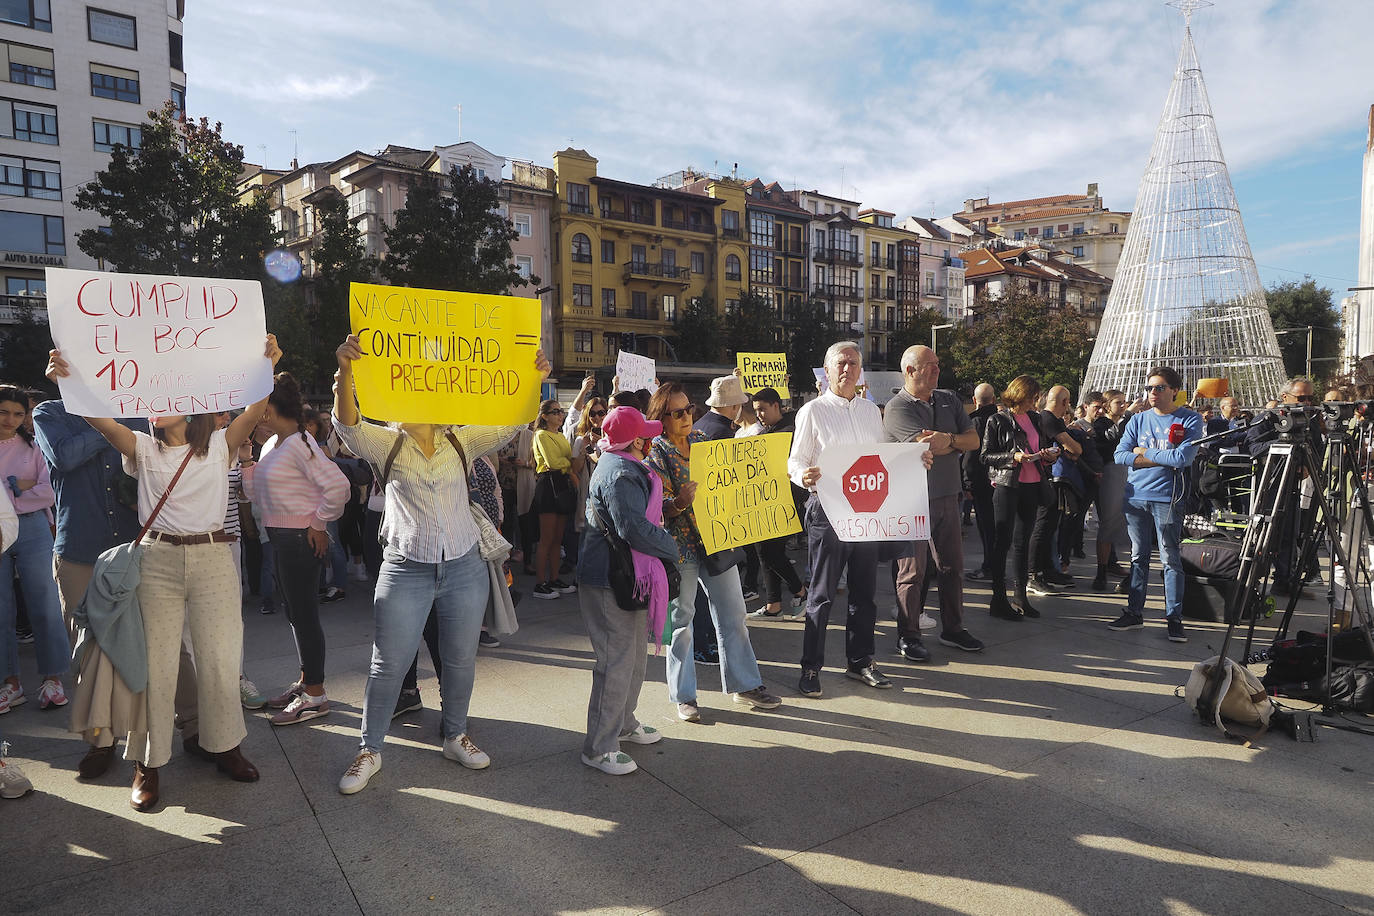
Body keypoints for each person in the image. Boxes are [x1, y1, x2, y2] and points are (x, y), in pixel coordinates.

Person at [47, 339, 279, 811]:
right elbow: (100, 420)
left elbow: (255, 410)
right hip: (158, 561)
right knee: (153, 666)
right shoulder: (144, 450)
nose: (154, 410)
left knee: (219, 659)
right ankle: (147, 764)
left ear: (190, 410)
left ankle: (227, 746)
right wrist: (67, 379)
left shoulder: (219, 443)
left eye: (165, 404)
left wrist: (267, 363)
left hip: (214, 557)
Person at [331, 333, 551, 795]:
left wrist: (533, 379)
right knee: (387, 664)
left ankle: (455, 734)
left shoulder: (460, 441)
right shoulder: (384, 442)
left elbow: (511, 423)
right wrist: (346, 372)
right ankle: (368, 749)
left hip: (464, 567)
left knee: (459, 660)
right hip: (405, 568)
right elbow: (347, 425)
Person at [646, 383, 782, 722]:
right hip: (681, 548)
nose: (686, 417)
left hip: (717, 541)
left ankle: (745, 684)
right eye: (677, 413)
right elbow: (657, 506)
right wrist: (677, 503)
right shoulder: (657, 452)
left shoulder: (703, 443)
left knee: (734, 615)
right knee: (683, 624)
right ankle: (684, 695)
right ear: (661, 418)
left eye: (689, 409)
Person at [576, 407, 681, 774]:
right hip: (611, 577)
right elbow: (633, 529)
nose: (651, 439)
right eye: (646, 434)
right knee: (617, 663)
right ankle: (599, 747)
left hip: (624, 575)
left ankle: (623, 724)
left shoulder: (621, 465)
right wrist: (672, 548)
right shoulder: (620, 473)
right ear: (635, 440)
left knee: (632, 657)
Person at [242, 372, 350, 727]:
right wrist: (246, 460)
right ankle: (307, 683)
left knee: (303, 616)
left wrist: (318, 525)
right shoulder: (277, 444)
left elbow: (339, 487)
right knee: (296, 614)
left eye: (258, 408)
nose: (255, 415)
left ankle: (315, 695)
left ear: (270, 410)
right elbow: (256, 495)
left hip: (299, 540)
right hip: (283, 538)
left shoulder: (302, 444)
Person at [789, 341, 891, 696]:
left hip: (865, 512)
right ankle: (811, 667)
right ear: (828, 370)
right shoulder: (812, 412)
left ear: (861, 371)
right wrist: (802, 476)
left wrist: (913, 462)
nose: (848, 369)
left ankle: (861, 661)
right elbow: (795, 460)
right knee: (821, 594)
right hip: (828, 510)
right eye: (841, 364)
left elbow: (881, 459)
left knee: (865, 592)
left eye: (854, 364)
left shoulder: (869, 412)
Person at [883, 346, 984, 659]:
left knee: (952, 567)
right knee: (913, 571)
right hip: (911, 500)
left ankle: (953, 628)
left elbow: (973, 441)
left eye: (938, 364)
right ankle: (908, 634)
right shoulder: (897, 407)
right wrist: (950, 441)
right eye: (930, 365)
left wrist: (949, 441)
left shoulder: (949, 398)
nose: (937, 369)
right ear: (910, 371)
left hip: (947, 495)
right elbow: (921, 448)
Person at [1108, 366, 1203, 642]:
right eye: (1149, 388)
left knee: (1170, 559)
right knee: (1138, 557)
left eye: (1159, 387)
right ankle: (1134, 611)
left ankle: (1174, 617)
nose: (1152, 393)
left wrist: (1143, 451)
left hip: (1168, 497)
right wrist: (1161, 456)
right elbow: (1120, 455)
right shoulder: (1138, 420)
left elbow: (1182, 460)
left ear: (1174, 390)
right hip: (1136, 495)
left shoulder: (1189, 419)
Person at [0, 385, 70, 714]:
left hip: (32, 527)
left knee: (44, 605)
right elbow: (34, 488)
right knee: (2, 611)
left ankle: (52, 679)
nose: (10, 419)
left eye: (18, 413)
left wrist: (8, 492)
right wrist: (17, 485)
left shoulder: (35, 446)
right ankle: (9, 683)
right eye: (4, 412)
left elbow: (49, 492)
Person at [980, 375, 1059, 621]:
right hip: (1008, 485)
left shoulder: (1035, 419)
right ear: (1021, 395)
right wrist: (1012, 457)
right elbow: (985, 456)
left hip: (1032, 483)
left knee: (1022, 543)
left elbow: (1038, 446)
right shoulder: (998, 419)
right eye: (1034, 397)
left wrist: (1047, 455)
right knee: (1002, 543)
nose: (1037, 402)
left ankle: (1020, 596)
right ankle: (998, 598)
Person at [746, 388, 807, 618]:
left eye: (762, 409)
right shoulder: (767, 431)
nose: (759, 414)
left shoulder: (791, 431)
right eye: (755, 410)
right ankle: (774, 604)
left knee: (771, 552)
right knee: (765, 550)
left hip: (786, 501)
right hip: (767, 501)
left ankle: (800, 591)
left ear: (776, 405)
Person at [1027, 385, 1082, 596]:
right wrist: (1073, 447)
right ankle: (1032, 575)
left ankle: (1047, 570)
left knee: (1049, 527)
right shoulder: (1048, 419)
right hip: (1046, 479)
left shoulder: (1052, 419)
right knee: (1042, 527)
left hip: (1051, 479)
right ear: (1065, 403)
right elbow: (1075, 448)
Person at [531, 399, 578, 600]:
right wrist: (571, 467)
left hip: (561, 483)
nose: (560, 415)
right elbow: (553, 462)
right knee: (547, 539)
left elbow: (566, 459)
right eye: (555, 412)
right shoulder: (541, 435)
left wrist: (569, 466)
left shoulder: (559, 436)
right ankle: (540, 582)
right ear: (544, 416)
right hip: (549, 484)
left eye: (561, 411)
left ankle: (554, 578)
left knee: (558, 539)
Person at [1091, 389, 1135, 590]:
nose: (1123, 406)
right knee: (1108, 522)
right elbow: (1111, 437)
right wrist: (1127, 415)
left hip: (1128, 472)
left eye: (1125, 403)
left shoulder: (1127, 421)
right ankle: (1101, 572)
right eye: (1119, 403)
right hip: (1111, 472)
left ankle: (1126, 570)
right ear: (1107, 406)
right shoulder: (1101, 423)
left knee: (1131, 523)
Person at [964, 383, 998, 582]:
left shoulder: (975, 422)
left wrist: (967, 483)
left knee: (986, 528)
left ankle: (989, 567)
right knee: (994, 527)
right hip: (999, 480)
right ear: (993, 400)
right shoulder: (1002, 419)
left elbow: (971, 454)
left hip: (981, 481)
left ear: (975, 401)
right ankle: (994, 565)